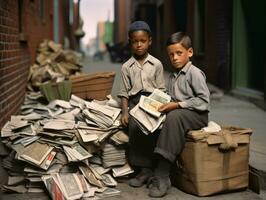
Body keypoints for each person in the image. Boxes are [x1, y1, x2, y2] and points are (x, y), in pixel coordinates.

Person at [147, 32, 210, 198]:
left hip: (197, 115)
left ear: (190, 52)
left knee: (174, 117)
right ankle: (151, 167)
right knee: (154, 119)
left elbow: (204, 101)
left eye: (179, 53)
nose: (174, 58)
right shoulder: (173, 76)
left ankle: (162, 175)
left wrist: (176, 105)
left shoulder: (194, 73)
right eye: (171, 54)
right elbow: (171, 97)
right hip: (181, 114)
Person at [117, 21, 165, 188]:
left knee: (155, 130)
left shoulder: (157, 64)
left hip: (153, 102)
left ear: (149, 41)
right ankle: (142, 170)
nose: (139, 45)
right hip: (135, 103)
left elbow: (161, 90)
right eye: (135, 41)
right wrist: (125, 112)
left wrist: (158, 108)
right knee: (135, 129)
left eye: (142, 41)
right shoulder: (126, 67)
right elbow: (124, 92)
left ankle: (154, 169)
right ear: (130, 42)